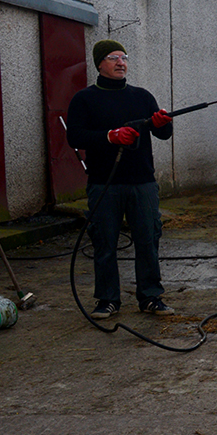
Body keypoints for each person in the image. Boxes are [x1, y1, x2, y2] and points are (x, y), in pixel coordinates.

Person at [66, 39, 175, 320]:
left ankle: (150, 296)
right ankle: (107, 299)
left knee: (148, 239)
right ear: (99, 64)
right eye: (113, 58)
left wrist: (164, 123)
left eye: (124, 57)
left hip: (143, 183)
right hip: (104, 183)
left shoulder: (142, 97)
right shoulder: (85, 99)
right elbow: (74, 136)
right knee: (104, 242)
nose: (121, 62)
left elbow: (163, 134)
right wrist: (109, 136)